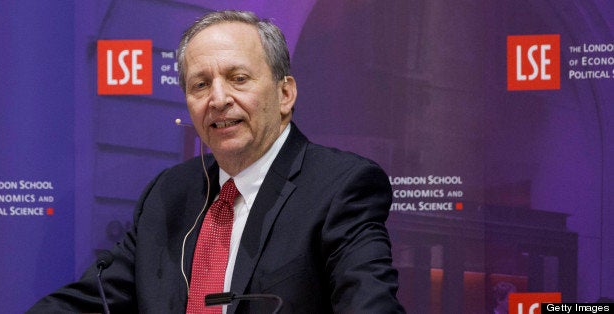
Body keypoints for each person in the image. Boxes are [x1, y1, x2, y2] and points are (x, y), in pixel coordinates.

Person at [28, 10, 405, 313]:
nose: (218, 98)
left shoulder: (342, 187)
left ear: (285, 93)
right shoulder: (169, 192)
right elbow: (98, 299)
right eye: (200, 85)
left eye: (238, 78)